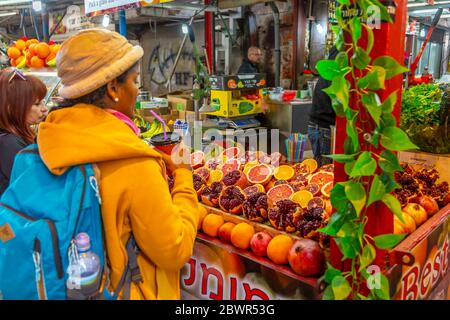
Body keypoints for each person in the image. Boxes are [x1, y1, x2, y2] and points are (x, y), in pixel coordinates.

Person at [37, 29, 205, 300]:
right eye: (135, 81)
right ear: (113, 88)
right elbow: (174, 250)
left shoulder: (48, 142)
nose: (138, 90)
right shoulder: (133, 162)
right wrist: (184, 177)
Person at [0, 68, 48, 196]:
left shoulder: (17, 135)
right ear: (12, 107)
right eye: (37, 104)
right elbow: (32, 189)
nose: (44, 109)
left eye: (43, 102)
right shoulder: (9, 144)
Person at [307, 46, 339, 167]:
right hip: (323, 128)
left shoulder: (330, 69)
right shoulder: (336, 74)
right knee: (323, 171)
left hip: (321, 126)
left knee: (324, 171)